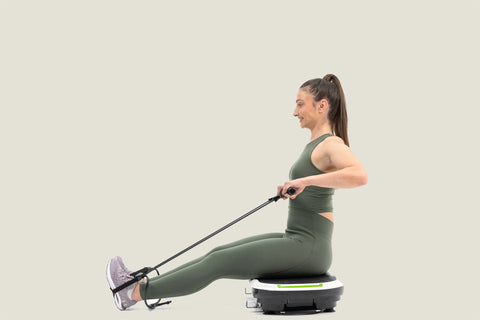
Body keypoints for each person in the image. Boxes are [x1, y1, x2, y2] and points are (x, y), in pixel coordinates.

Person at [106, 74, 368, 311]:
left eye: (301, 104)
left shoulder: (331, 143)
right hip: (297, 238)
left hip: (309, 247)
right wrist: (302, 184)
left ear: (321, 106)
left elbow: (360, 176)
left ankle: (136, 292)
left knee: (218, 263)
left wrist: (306, 181)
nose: (294, 111)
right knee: (216, 253)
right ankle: (141, 285)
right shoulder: (315, 145)